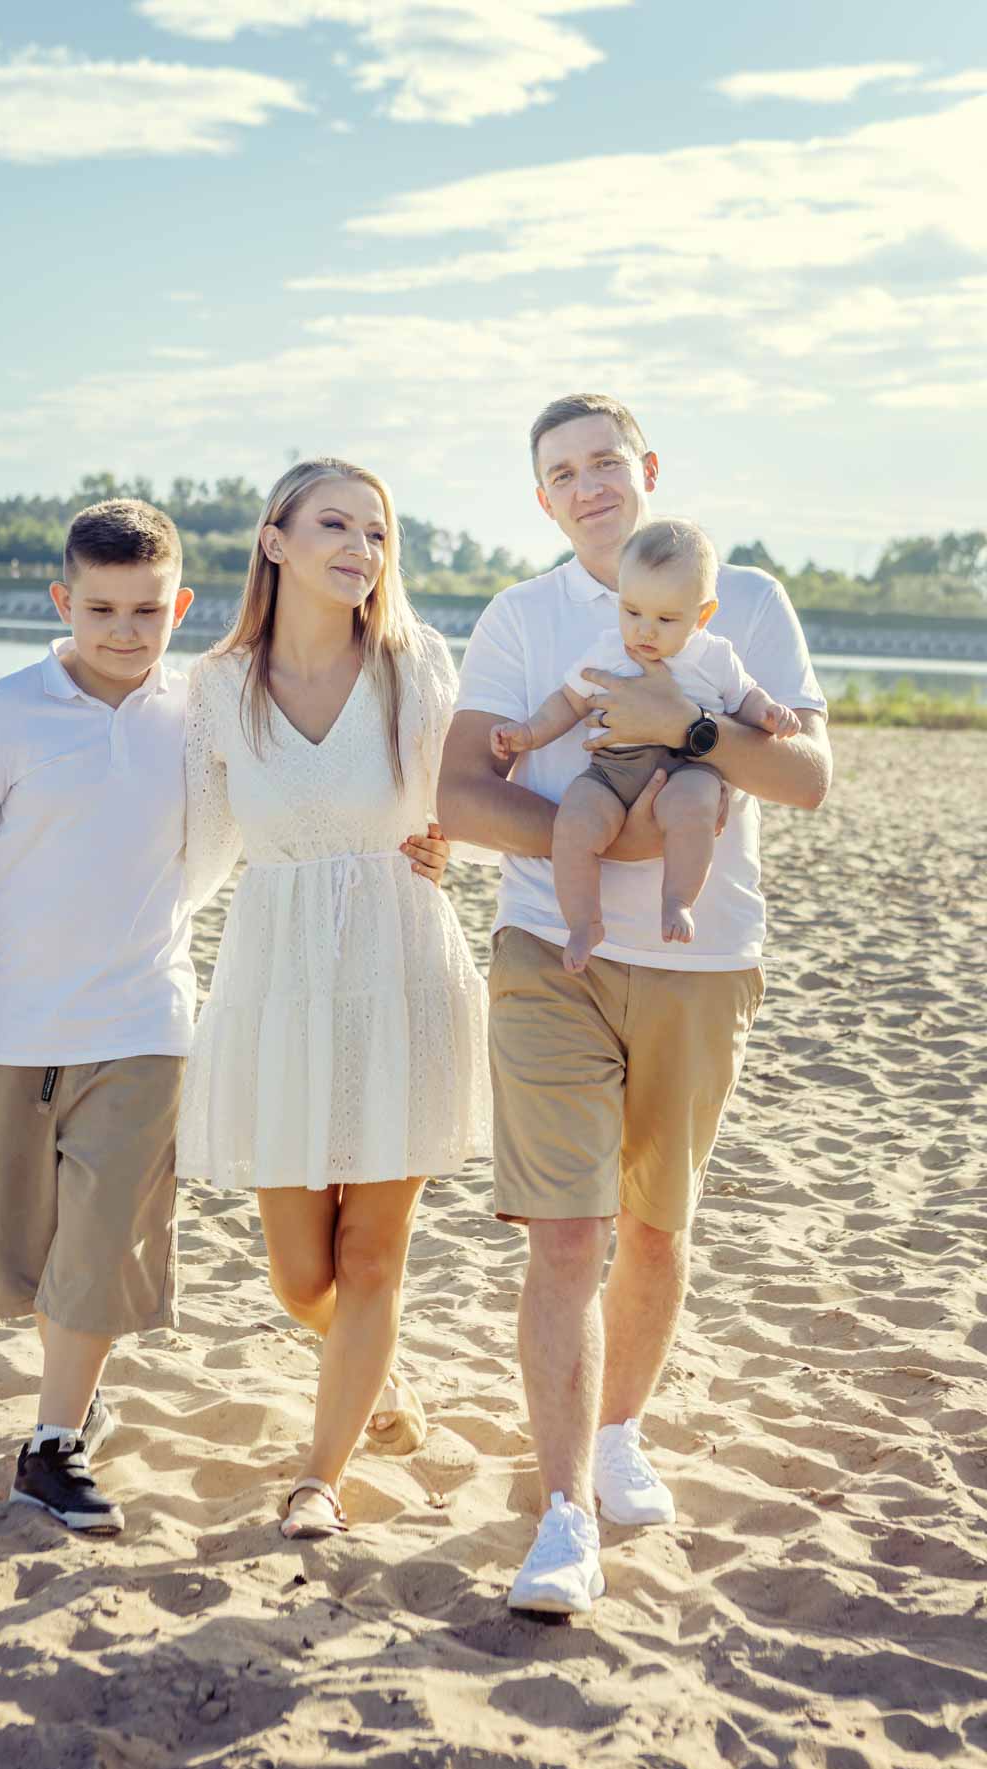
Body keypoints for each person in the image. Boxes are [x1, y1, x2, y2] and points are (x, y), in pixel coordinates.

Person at [438, 393, 831, 1615]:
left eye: (605, 460)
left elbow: (807, 777)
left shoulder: (745, 598)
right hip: (550, 948)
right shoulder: (522, 617)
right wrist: (605, 839)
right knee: (568, 1234)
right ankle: (563, 1516)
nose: (589, 485)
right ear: (542, 498)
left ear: (646, 468)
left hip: (701, 963)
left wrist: (688, 730)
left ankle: (618, 1435)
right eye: (563, 472)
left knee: (655, 1229)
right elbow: (463, 794)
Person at [176, 456, 491, 1541]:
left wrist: (455, 848)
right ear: (275, 542)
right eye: (336, 526)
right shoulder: (216, 687)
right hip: (276, 982)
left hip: (401, 971)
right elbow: (195, 850)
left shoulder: (417, 664)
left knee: (370, 1257)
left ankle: (321, 1476)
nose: (362, 548)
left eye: (378, 532)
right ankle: (380, 1372)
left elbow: (466, 800)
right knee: (300, 1275)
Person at [0, 499, 196, 1537]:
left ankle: (51, 1446)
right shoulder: (5, 714)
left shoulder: (202, 713)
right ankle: (74, 1403)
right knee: (37, 1253)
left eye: (148, 611)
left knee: (105, 1236)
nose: (125, 631)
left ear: (181, 607)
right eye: (102, 608)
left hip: (147, 1022)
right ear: (61, 600)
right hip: (17, 1028)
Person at [491, 519, 801, 969]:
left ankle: (677, 900)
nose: (645, 632)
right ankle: (584, 923)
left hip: (685, 766)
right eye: (632, 612)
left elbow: (745, 697)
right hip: (611, 770)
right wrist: (529, 733)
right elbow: (569, 701)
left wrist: (768, 712)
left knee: (695, 806)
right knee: (574, 823)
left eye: (666, 619)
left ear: (703, 615)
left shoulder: (714, 656)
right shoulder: (608, 650)